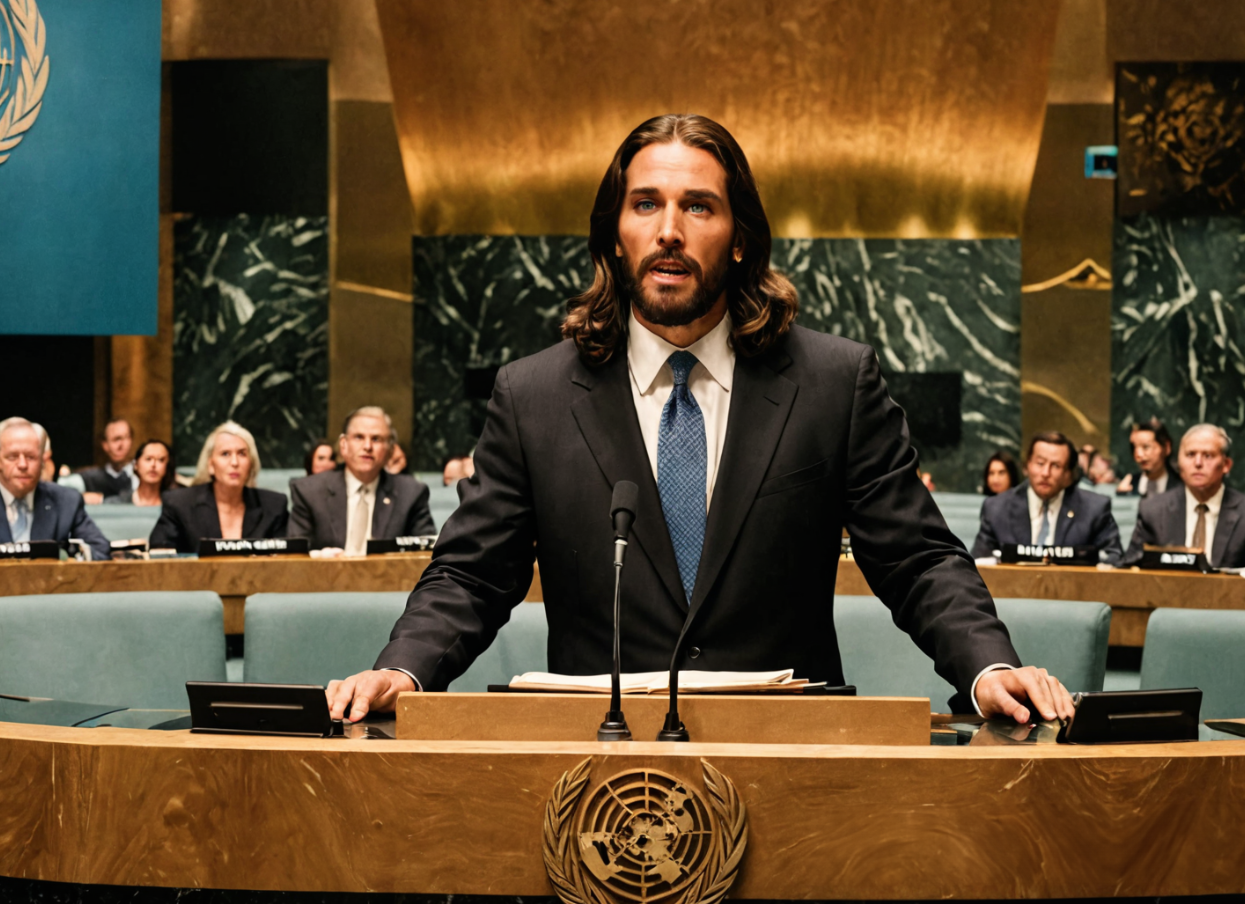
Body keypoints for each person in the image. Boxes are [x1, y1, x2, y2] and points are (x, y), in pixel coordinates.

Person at [327, 113, 1074, 726]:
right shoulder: (533, 396)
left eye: (700, 206)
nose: (670, 231)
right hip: (597, 762)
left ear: (740, 236)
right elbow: (472, 573)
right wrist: (404, 668)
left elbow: (916, 561)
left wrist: (988, 667)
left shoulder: (834, 383)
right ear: (614, 237)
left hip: (792, 753)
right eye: (646, 204)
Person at [1123, 424, 1245, 569]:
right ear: (1178, 463)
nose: (1198, 463)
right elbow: (1129, 570)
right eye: (1190, 455)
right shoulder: (1153, 510)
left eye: (1208, 455)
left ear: (1226, 465)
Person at [288, 407, 435, 553]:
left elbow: (427, 555)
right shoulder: (309, 492)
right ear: (343, 445)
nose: (367, 446)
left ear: (390, 449)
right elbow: (294, 558)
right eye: (359, 437)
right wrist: (319, 559)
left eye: (376, 439)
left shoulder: (411, 493)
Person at [971, 431, 1122, 563]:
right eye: (1040, 463)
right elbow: (979, 563)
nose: (1045, 473)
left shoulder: (1094, 509)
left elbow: (1114, 558)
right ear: (1027, 466)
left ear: (1068, 474)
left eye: (1056, 466)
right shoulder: (996, 508)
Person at [0, 417, 110, 558]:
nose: (23, 465)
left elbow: (101, 554)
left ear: (43, 459)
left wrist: (69, 559)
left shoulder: (66, 502)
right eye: (12, 457)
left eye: (31, 457)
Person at [149, 422, 288, 553]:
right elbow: (160, 558)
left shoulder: (274, 506)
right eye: (225, 454)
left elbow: (289, 561)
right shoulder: (179, 504)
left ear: (251, 464)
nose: (235, 462)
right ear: (210, 464)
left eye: (242, 454)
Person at [77, 419, 137, 504]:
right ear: (105, 445)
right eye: (116, 439)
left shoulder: (142, 474)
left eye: (126, 438)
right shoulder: (91, 477)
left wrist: (101, 499)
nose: (121, 445)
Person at [1117, 418, 1178, 498]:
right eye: (1134, 448)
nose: (1138, 454)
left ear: (1167, 447)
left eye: (1146, 447)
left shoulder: (1179, 486)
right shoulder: (1130, 484)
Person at [124, 440, 175, 507]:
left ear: (167, 466)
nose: (153, 465)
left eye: (160, 460)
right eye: (148, 459)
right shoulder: (117, 503)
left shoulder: (175, 505)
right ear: (136, 464)